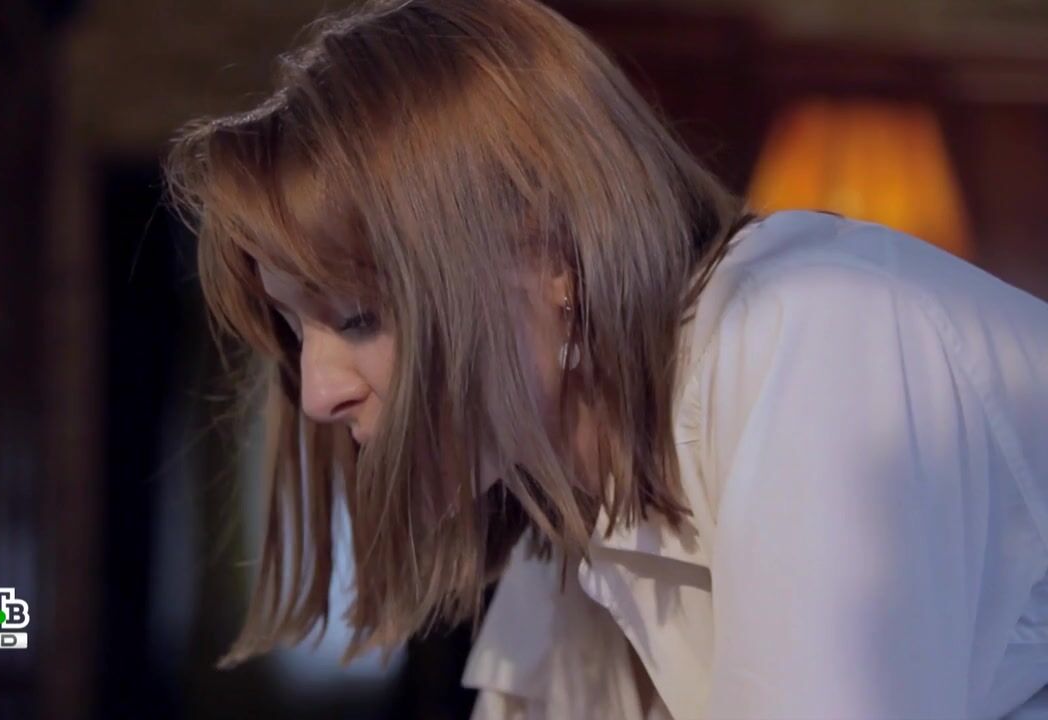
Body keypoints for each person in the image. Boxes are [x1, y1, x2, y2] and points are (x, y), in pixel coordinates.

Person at [163, 0, 1048, 716]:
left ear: (551, 254)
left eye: (359, 316)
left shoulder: (809, 333)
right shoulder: (571, 514)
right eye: (296, 328)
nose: (316, 392)